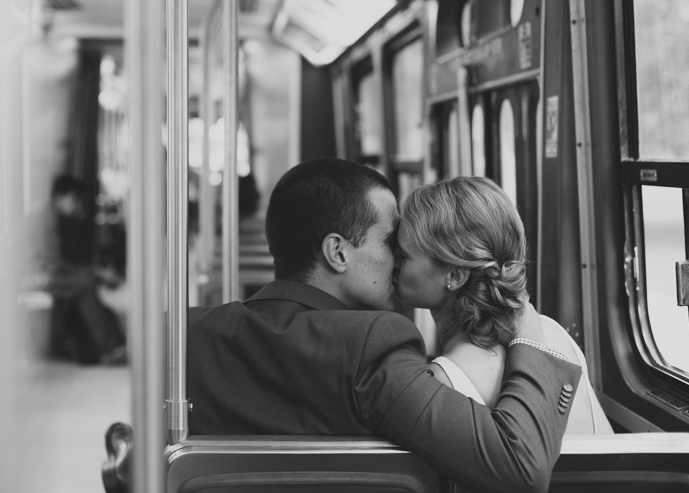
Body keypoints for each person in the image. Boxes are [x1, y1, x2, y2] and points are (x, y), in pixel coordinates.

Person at [186, 158, 582, 493]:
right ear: (337, 252)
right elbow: (519, 465)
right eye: (390, 242)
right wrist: (529, 337)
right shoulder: (372, 348)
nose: (399, 257)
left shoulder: (189, 336)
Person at [395, 176, 612, 434]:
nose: (393, 263)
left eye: (403, 256)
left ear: (454, 276)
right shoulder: (553, 333)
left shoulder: (444, 382)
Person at [21, 174, 127, 365]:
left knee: (87, 281)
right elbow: (53, 264)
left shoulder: (50, 216)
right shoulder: (47, 219)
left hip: (40, 273)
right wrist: (97, 273)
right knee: (86, 284)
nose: (77, 205)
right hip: (33, 277)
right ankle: (109, 347)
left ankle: (108, 345)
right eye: (74, 200)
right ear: (60, 197)